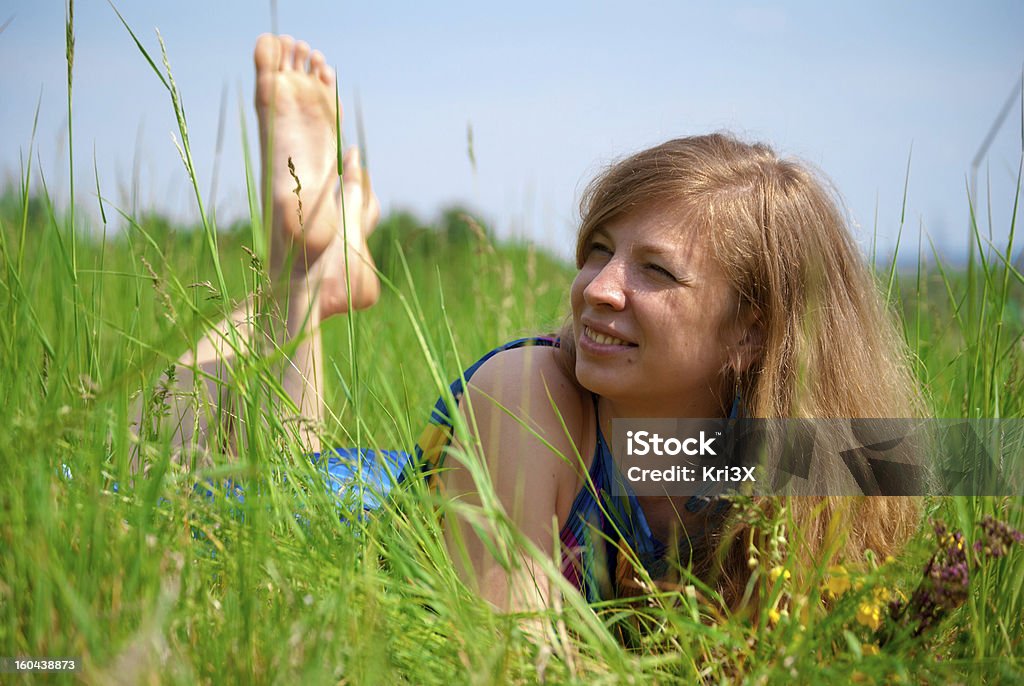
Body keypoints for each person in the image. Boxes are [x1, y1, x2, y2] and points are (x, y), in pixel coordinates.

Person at [141, 34, 924, 614]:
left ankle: (317, 272)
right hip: (349, 521)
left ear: (752, 330)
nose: (597, 290)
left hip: (421, 473)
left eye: (654, 271)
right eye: (598, 251)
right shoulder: (530, 392)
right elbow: (512, 657)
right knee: (184, 491)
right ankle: (299, 267)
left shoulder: (796, 461)